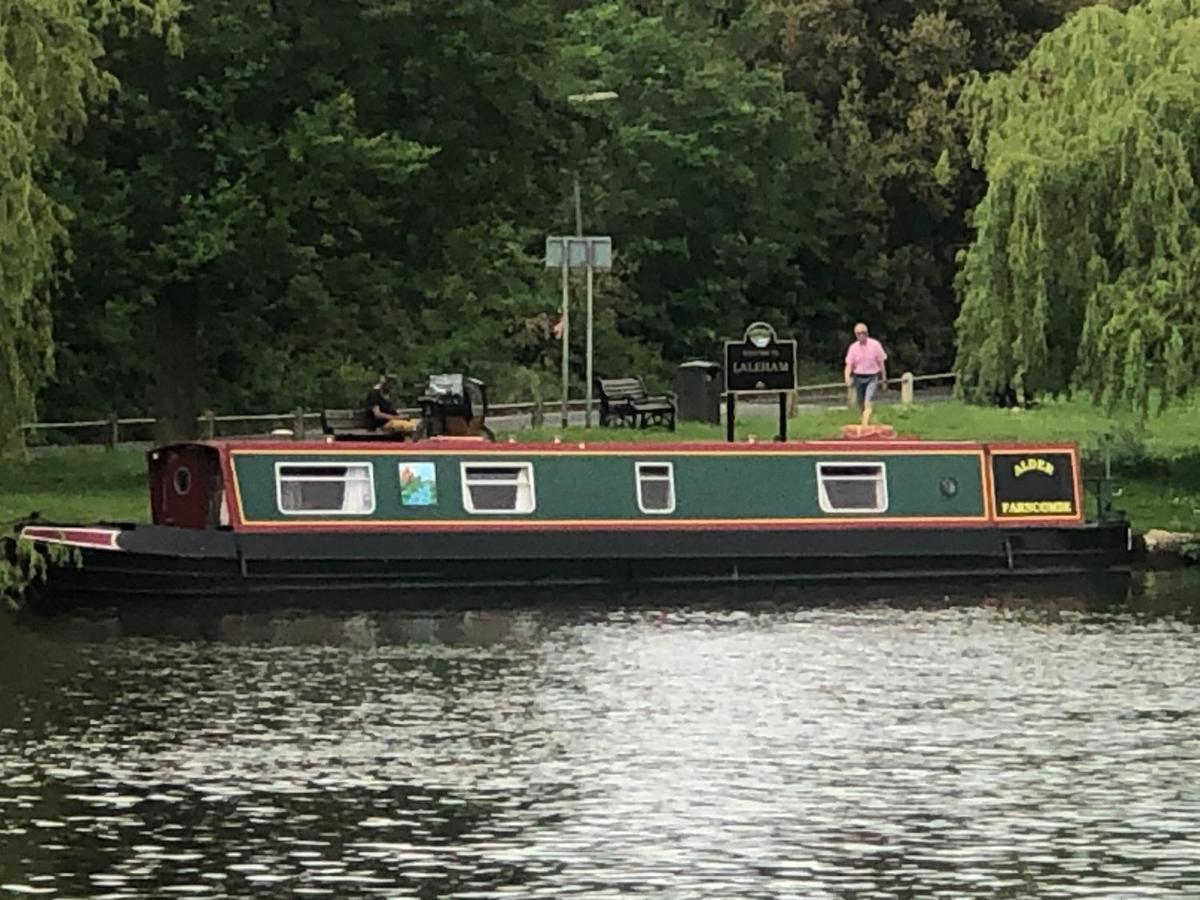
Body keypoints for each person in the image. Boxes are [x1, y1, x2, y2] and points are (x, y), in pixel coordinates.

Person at [843, 322, 888, 426]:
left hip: (872, 376)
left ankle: (866, 422)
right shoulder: (853, 348)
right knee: (860, 402)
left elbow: (881, 362)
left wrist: (884, 379)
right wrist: (847, 378)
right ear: (855, 334)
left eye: (863, 333)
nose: (861, 335)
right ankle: (865, 420)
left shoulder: (875, 345)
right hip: (858, 377)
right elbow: (849, 365)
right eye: (858, 333)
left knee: (868, 399)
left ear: (867, 333)